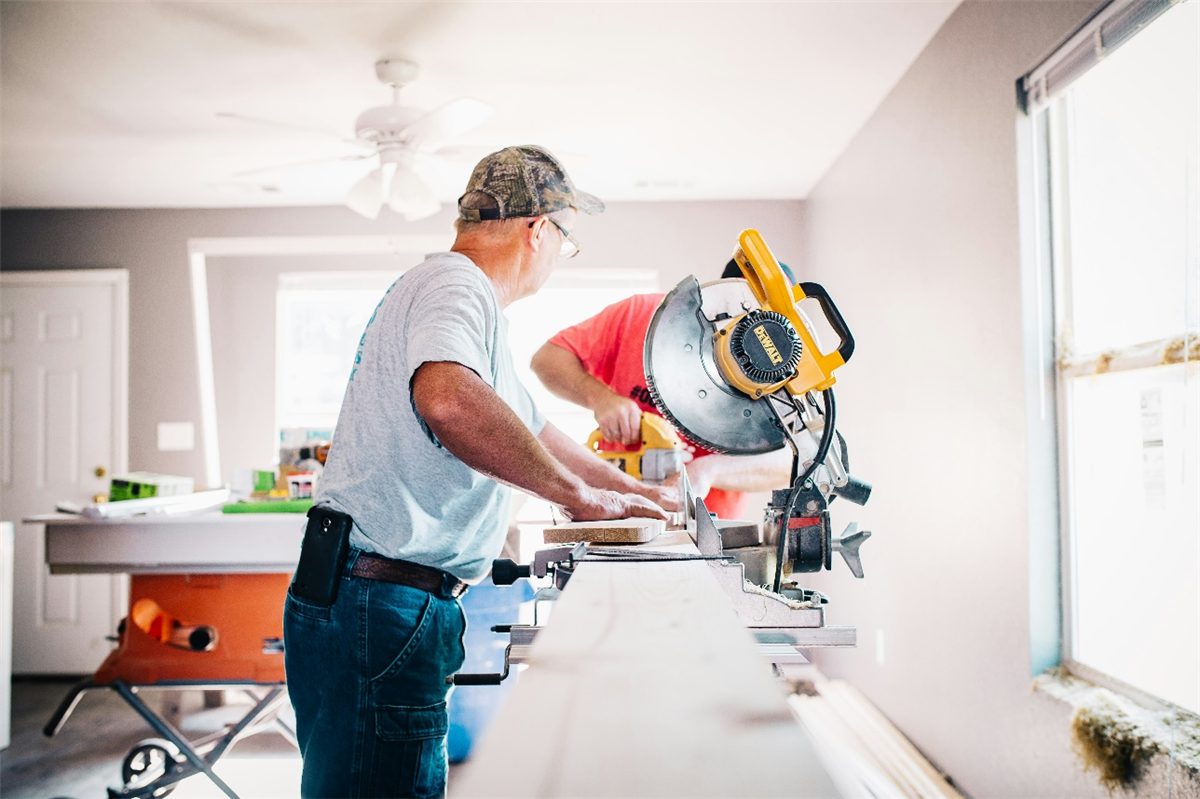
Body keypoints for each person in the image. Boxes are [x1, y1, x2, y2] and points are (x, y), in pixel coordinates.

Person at [283, 145, 673, 799]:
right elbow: (447, 398)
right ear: (539, 230)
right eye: (565, 242)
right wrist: (578, 498)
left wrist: (628, 491)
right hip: (380, 602)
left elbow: (534, 427)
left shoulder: (462, 303)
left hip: (373, 597)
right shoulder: (456, 285)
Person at [530, 259, 795, 520]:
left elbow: (791, 462)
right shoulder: (641, 315)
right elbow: (547, 359)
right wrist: (600, 397)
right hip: (615, 509)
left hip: (707, 527)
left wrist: (708, 470)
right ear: (718, 293)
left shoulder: (781, 372)